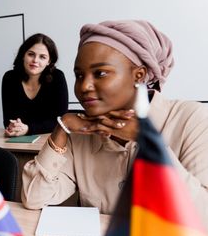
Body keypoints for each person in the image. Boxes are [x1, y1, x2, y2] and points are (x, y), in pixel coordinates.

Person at [22, 20, 208, 223]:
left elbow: (202, 216)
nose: (84, 86)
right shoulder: (79, 133)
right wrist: (60, 129)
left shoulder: (192, 120)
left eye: (100, 73)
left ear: (139, 76)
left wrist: (150, 143)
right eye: (79, 75)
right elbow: (34, 198)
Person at [2, 33, 68, 136]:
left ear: (49, 61)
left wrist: (28, 129)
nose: (35, 60)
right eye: (31, 54)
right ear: (23, 55)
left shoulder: (57, 77)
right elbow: (8, 119)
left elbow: (61, 121)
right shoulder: (9, 78)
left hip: (50, 140)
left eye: (42, 57)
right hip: (18, 141)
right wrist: (13, 127)